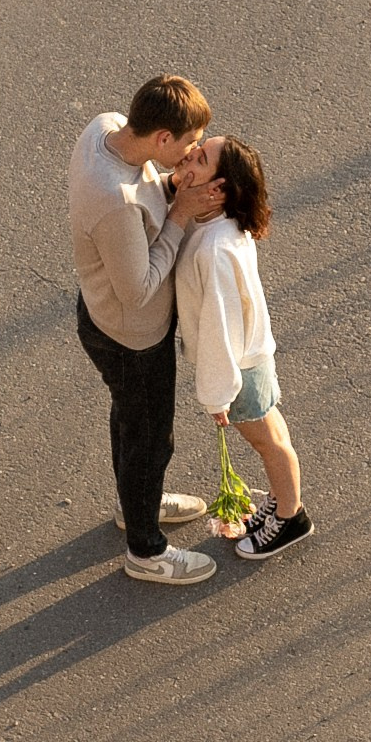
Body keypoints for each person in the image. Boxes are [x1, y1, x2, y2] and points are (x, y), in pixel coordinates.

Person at [69, 75, 223, 586]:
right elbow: (138, 289)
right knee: (151, 439)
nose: (193, 151)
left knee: (130, 422)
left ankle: (136, 503)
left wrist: (168, 188)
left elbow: (145, 191)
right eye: (187, 143)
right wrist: (179, 212)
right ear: (162, 138)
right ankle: (146, 550)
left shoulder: (106, 128)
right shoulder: (114, 201)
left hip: (100, 314)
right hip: (131, 335)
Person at [173, 136, 312, 562]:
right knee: (275, 437)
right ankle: (281, 502)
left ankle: (290, 518)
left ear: (217, 190)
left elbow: (219, 327)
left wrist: (217, 394)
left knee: (268, 443)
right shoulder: (221, 226)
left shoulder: (215, 249)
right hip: (252, 356)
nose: (186, 157)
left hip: (238, 366)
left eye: (198, 159)